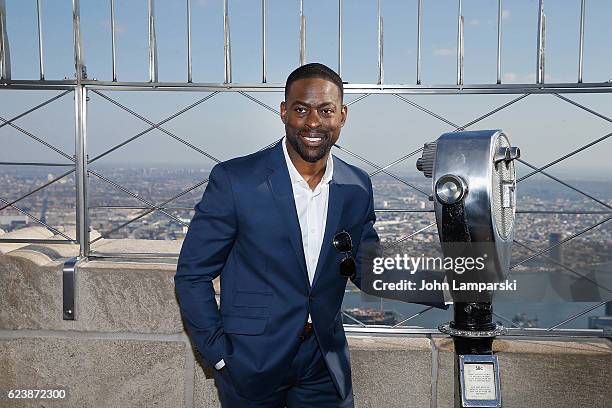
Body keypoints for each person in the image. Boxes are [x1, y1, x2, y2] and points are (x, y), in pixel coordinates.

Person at [174, 63, 445, 407]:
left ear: (342, 116)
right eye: (301, 109)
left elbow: (366, 268)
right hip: (250, 362)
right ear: (284, 112)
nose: (313, 122)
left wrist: (454, 281)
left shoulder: (357, 186)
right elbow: (192, 275)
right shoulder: (235, 180)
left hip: (322, 362)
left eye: (326, 111)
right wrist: (220, 355)